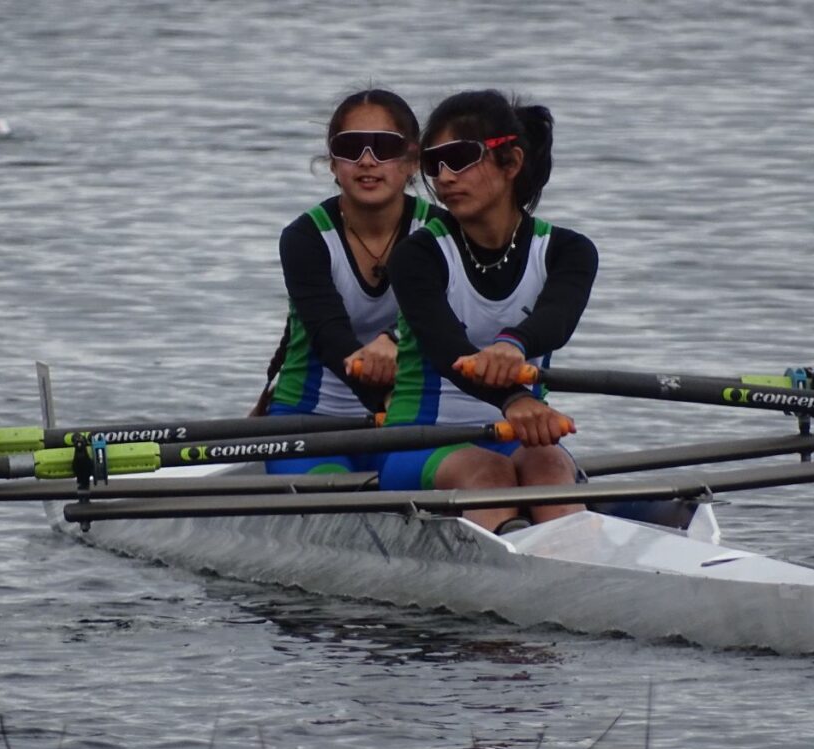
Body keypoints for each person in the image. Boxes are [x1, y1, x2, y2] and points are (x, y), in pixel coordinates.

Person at [379, 89, 598, 534]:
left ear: (511, 163)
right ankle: (528, 569)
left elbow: (555, 319)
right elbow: (448, 351)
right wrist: (514, 398)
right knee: (489, 474)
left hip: (523, 435)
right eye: (433, 164)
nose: (443, 177)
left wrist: (514, 344)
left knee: (552, 465)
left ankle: (572, 566)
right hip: (419, 441)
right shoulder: (416, 255)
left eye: (459, 158)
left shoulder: (570, 251)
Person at [256, 88, 442, 475]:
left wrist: (394, 342)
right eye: (351, 147)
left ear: (412, 161)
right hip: (309, 422)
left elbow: (442, 320)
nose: (367, 160)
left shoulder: (443, 231)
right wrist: (382, 400)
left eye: (384, 147)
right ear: (332, 163)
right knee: (332, 487)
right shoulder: (304, 238)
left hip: (409, 420)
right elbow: (331, 340)